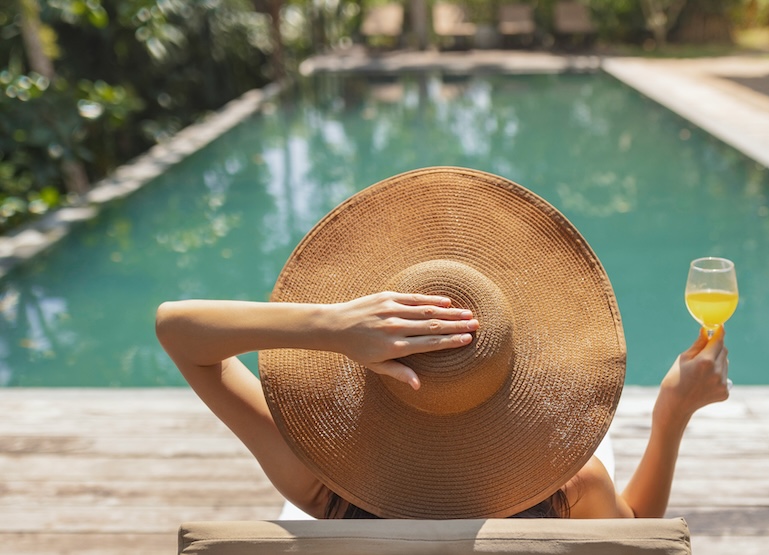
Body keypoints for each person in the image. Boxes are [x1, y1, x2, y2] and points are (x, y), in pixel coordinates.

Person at [155, 167, 731, 520]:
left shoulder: (323, 488)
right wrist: (672, 413)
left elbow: (176, 329)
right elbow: (637, 538)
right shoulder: (573, 491)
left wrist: (332, 326)